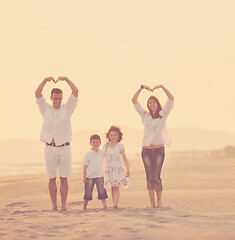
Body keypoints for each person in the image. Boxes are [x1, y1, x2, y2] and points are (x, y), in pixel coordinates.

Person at [35, 76, 78, 211]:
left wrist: (67, 80)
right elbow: (37, 94)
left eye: (60, 98)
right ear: (51, 98)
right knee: (52, 178)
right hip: (50, 149)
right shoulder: (45, 108)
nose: (58, 101)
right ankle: (54, 205)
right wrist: (44, 80)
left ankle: (64, 205)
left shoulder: (67, 108)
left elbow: (76, 92)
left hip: (64, 148)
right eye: (55, 98)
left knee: (64, 178)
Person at [132, 84, 174, 208]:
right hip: (146, 151)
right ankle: (152, 202)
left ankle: (159, 201)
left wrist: (161, 87)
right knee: (149, 176)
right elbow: (134, 100)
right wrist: (141, 88)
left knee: (156, 176)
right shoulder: (145, 116)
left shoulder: (163, 114)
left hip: (159, 150)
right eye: (149, 102)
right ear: (148, 105)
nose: (151, 104)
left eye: (153, 102)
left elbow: (171, 99)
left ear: (157, 103)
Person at [103, 126, 130, 208]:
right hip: (109, 169)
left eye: (115, 135)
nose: (113, 137)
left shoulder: (120, 146)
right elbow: (101, 156)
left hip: (117, 169)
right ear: (108, 136)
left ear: (118, 136)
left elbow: (124, 157)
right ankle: (114, 203)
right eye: (111, 135)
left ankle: (115, 204)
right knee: (112, 187)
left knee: (116, 187)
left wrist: (127, 169)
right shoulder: (106, 146)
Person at [83, 134, 108, 210]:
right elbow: (85, 167)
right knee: (88, 192)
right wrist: (84, 177)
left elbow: (107, 147)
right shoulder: (87, 154)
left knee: (102, 192)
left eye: (97, 142)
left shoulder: (101, 153)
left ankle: (105, 206)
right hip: (89, 176)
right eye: (93, 142)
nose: (95, 144)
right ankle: (85, 206)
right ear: (90, 143)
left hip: (99, 175)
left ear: (100, 143)